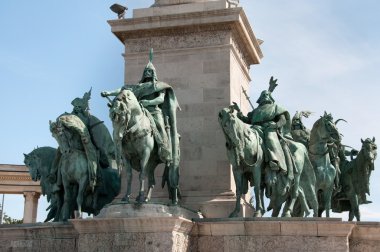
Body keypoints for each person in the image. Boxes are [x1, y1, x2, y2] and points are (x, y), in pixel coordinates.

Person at [101, 49, 180, 165]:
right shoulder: (137, 87)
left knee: (161, 128)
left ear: (154, 73)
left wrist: (148, 102)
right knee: (122, 125)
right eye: (146, 71)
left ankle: (165, 150)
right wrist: (109, 93)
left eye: (150, 71)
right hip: (140, 111)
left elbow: (161, 99)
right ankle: (120, 150)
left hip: (154, 111)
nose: (148, 73)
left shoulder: (158, 86)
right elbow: (123, 89)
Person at [236, 85, 292, 175]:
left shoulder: (275, 107)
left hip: (269, 128)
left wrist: (276, 125)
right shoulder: (256, 111)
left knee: (270, 138)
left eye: (266, 94)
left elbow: (283, 120)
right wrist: (240, 114)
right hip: (255, 128)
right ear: (260, 98)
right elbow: (248, 120)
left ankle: (274, 160)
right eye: (263, 95)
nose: (265, 96)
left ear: (270, 97)